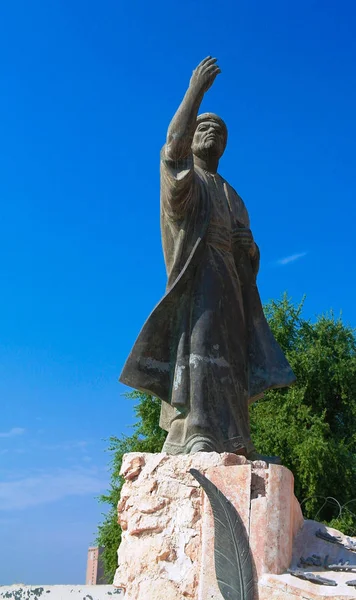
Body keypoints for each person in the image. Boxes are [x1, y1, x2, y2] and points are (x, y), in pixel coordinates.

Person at [120, 57, 295, 459]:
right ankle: (196, 431)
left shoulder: (234, 195)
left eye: (217, 129)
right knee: (199, 348)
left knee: (232, 355)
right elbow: (172, 147)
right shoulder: (186, 176)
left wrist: (250, 253)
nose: (209, 130)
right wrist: (194, 92)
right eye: (203, 126)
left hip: (231, 286)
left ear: (225, 146)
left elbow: (247, 255)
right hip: (197, 279)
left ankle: (235, 436)